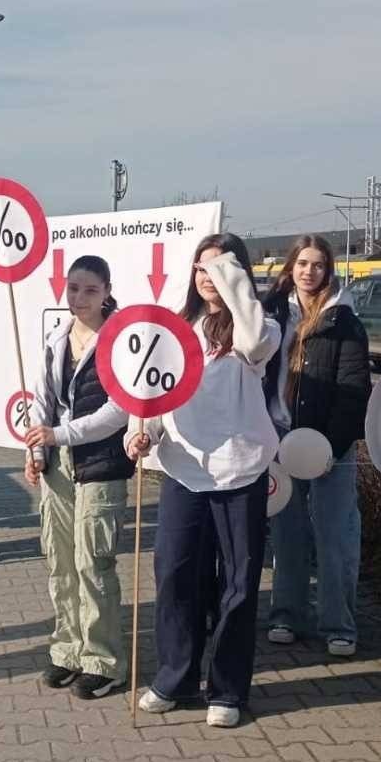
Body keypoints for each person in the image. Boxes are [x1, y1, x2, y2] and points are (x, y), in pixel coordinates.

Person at [126, 233, 281, 728]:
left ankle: (228, 689)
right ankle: (175, 676)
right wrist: (141, 431)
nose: (206, 278)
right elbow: (150, 393)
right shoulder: (173, 331)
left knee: (238, 583)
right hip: (183, 471)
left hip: (240, 471)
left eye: (217, 270)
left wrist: (230, 276)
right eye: (199, 269)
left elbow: (255, 342)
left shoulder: (259, 328)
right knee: (174, 575)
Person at [22, 255, 133, 700]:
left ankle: (105, 661)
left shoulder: (122, 339)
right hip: (59, 465)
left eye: (90, 290)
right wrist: (37, 449)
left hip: (101, 462)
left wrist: (60, 433)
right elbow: (40, 400)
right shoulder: (56, 337)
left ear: (107, 291)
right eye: (73, 289)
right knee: (61, 562)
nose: (80, 298)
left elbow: (119, 410)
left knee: (93, 563)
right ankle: (68, 650)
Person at [262, 235, 370, 657]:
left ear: (329, 270)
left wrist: (330, 447)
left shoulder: (344, 322)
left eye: (319, 264)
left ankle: (338, 624)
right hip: (280, 444)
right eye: (302, 263)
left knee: (335, 537)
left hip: (330, 451)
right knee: (286, 536)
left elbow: (352, 389)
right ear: (290, 268)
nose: (310, 271)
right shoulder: (272, 314)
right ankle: (286, 615)